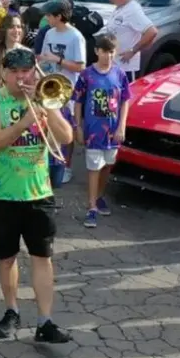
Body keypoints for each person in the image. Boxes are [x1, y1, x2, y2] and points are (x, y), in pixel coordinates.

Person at [0, 47, 74, 343]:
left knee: (42, 257)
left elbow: (67, 137)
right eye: (15, 72)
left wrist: (48, 108)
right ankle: (11, 311)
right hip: (3, 195)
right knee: (6, 259)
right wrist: (23, 124)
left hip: (39, 193)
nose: (22, 77)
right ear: (4, 74)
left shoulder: (44, 99)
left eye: (27, 71)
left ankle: (45, 321)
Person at [70, 35, 130, 229]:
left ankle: (99, 195)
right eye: (105, 51)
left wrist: (122, 125)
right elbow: (78, 101)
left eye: (112, 51)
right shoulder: (87, 75)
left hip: (113, 132)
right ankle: (92, 206)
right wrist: (77, 126)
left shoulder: (120, 74)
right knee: (93, 167)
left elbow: (125, 101)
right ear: (97, 51)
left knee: (107, 165)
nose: (108, 56)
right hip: (93, 132)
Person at [39, 0, 86, 187]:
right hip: (50, 87)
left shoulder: (75, 37)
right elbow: (44, 57)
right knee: (48, 126)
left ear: (59, 16)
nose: (46, 18)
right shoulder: (49, 33)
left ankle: (66, 166)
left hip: (67, 90)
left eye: (49, 15)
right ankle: (50, 163)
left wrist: (58, 60)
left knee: (67, 127)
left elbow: (80, 66)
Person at [102, 0, 157, 82]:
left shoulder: (133, 10)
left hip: (126, 69)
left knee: (126, 98)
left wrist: (133, 50)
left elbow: (152, 31)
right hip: (114, 66)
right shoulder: (119, 8)